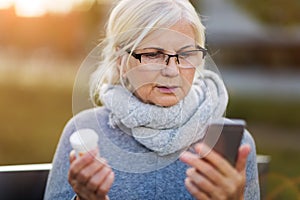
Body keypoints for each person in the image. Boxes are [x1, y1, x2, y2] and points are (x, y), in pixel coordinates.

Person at [44, 0, 260, 199]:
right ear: (121, 61)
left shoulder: (235, 146)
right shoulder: (84, 132)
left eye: (185, 54)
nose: (172, 71)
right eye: (153, 54)